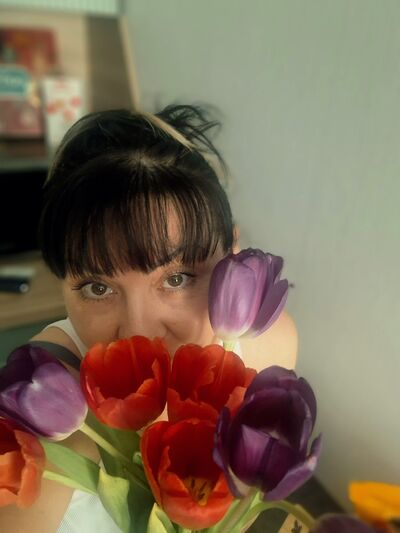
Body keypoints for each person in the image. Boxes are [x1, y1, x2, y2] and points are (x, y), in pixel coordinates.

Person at [1, 104, 297, 532]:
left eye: (177, 278)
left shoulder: (268, 348)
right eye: (97, 288)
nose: (139, 333)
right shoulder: (41, 406)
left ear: (233, 254)